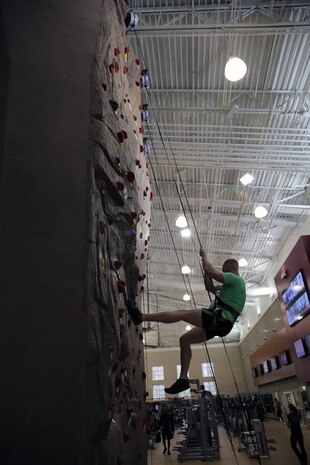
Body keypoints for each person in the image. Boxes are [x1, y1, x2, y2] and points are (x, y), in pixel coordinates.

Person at [126, 248, 246, 394]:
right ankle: (183, 379)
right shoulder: (232, 287)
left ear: (231, 268)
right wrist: (206, 271)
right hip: (222, 325)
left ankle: (141, 317)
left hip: (220, 319)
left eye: (225, 271)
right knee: (184, 340)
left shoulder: (236, 279)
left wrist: (204, 256)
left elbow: (210, 269)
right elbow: (209, 286)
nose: (224, 274)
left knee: (182, 313)